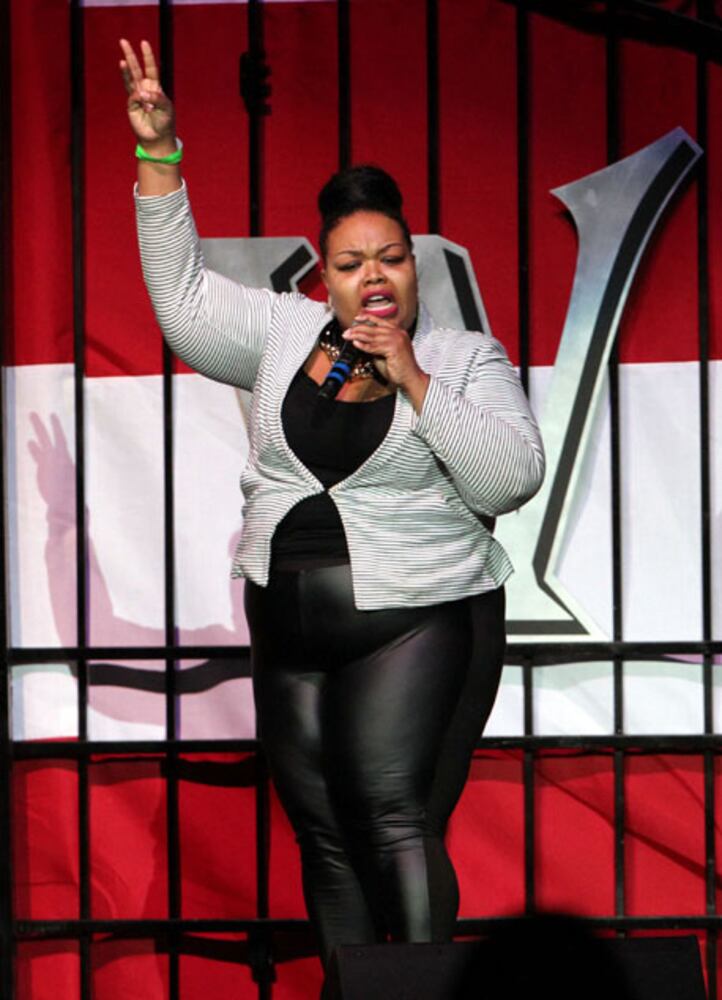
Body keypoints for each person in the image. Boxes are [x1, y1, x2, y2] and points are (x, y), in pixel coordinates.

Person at [120, 38, 544, 974]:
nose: (374, 277)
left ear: (414, 265)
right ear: (329, 277)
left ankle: (420, 993)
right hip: (289, 628)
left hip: (413, 617)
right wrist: (158, 155)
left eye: (391, 258)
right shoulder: (282, 333)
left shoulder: (462, 357)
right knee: (324, 837)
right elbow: (181, 303)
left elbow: (508, 480)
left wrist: (415, 380)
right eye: (353, 264)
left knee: (393, 817)